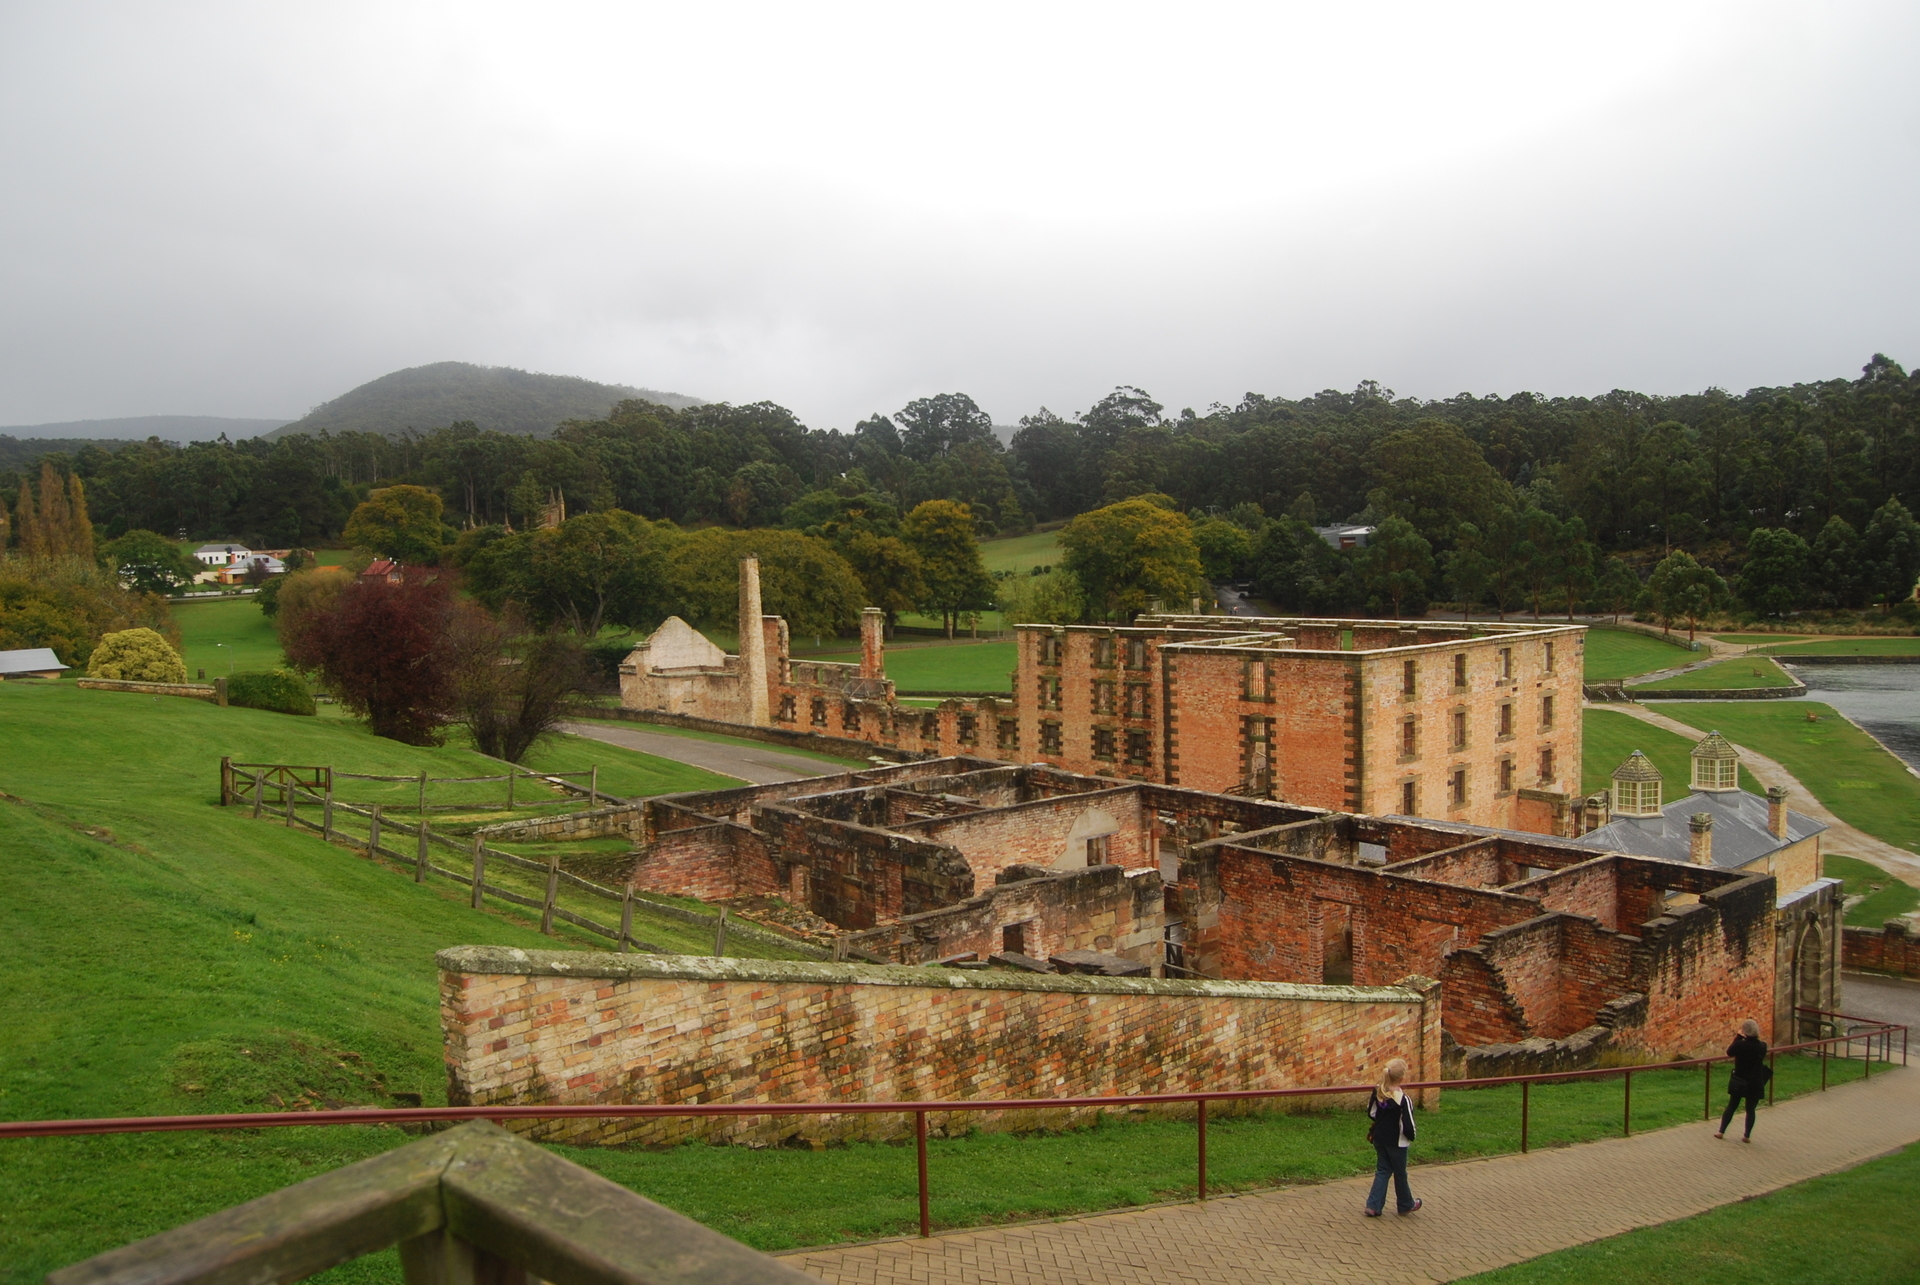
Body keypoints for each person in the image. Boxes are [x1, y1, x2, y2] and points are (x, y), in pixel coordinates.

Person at [1363, 1058, 1422, 1217]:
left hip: (1379, 1138)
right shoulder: (1403, 1099)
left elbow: (1372, 1113)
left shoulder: (1378, 1092)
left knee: (1382, 1169)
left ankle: (1373, 1205)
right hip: (1397, 1142)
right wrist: (1411, 1137)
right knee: (1400, 1172)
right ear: (1402, 1078)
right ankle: (1405, 1204)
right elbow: (1407, 1124)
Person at [1715, 1019, 1771, 1142]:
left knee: (1732, 1105)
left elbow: (1730, 1052)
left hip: (1740, 1080)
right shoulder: (1762, 1046)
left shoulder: (1740, 1045)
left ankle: (1721, 1131)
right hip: (1755, 1082)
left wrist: (1738, 1037)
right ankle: (1746, 1135)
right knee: (1750, 1109)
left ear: (1745, 1031)